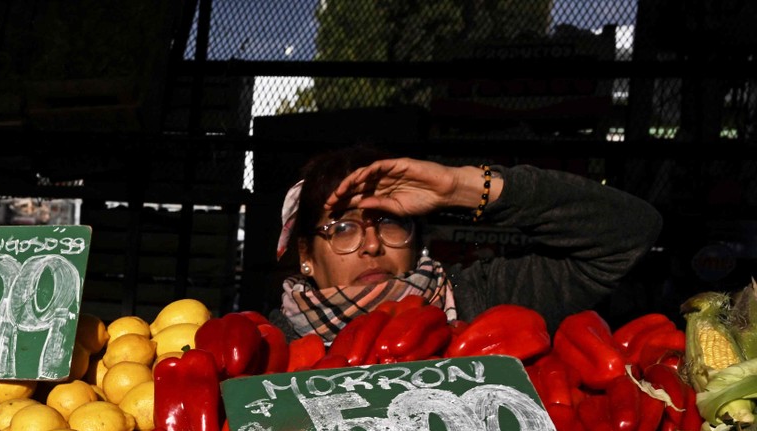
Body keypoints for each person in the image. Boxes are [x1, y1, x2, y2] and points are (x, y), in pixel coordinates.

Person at [270, 146, 664, 342]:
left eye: (389, 223)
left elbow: (630, 231)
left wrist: (462, 187)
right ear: (307, 256)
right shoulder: (273, 347)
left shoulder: (483, 299)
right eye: (344, 229)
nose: (372, 245)